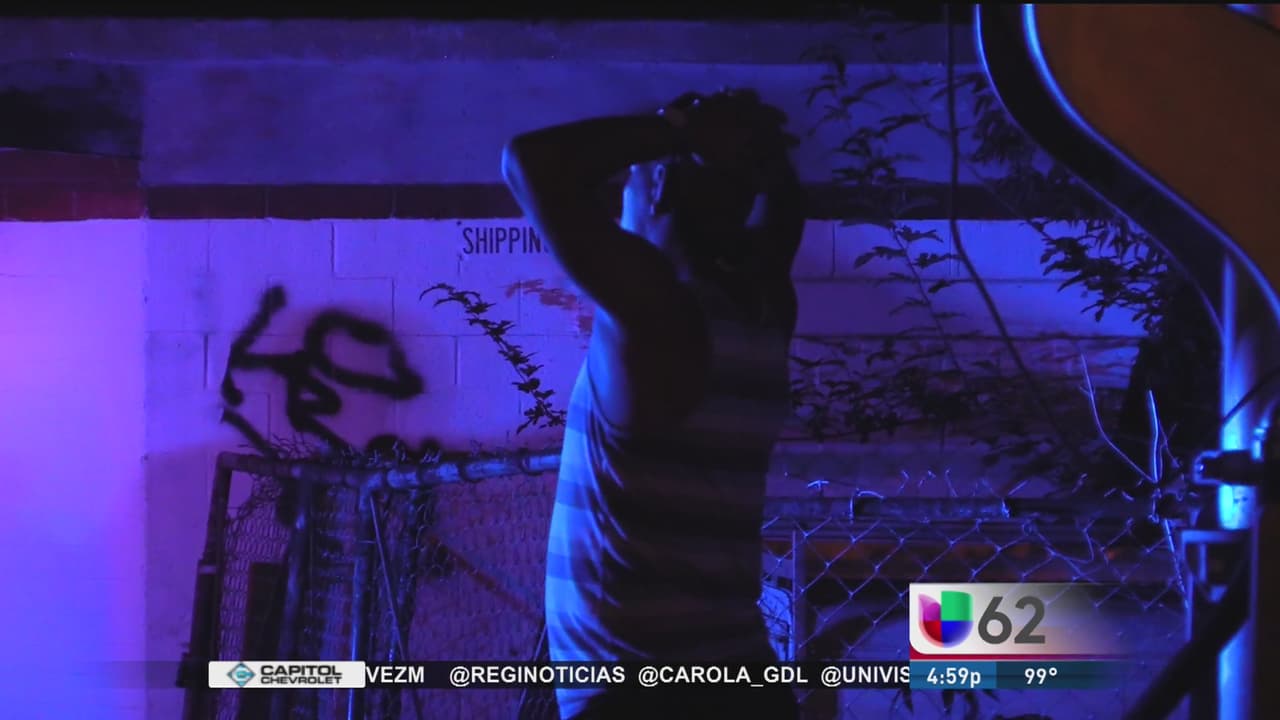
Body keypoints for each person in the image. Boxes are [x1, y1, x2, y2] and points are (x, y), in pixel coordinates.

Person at [501, 89, 804, 720]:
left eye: (628, 185)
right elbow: (780, 224)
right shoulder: (763, 312)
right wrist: (752, 161)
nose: (621, 202)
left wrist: (681, 131)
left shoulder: (657, 316)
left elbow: (527, 164)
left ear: (658, 189)